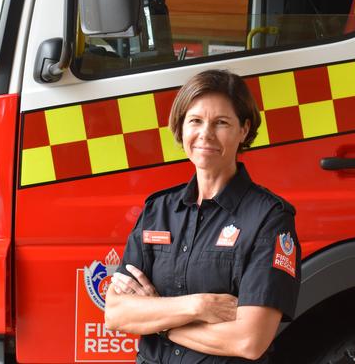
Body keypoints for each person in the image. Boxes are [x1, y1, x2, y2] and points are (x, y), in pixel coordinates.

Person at [105, 69, 301, 363]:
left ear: (243, 130)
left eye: (221, 122)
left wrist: (159, 320)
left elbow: (249, 340)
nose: (205, 134)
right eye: (195, 121)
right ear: (181, 128)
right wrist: (198, 306)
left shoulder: (269, 219)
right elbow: (117, 313)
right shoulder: (158, 211)